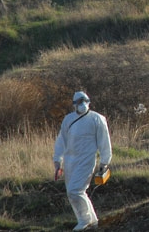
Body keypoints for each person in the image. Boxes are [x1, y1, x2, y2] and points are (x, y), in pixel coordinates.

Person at [53, 91, 112, 232]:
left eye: (84, 100)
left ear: (89, 101)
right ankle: (91, 221)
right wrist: (57, 160)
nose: (82, 104)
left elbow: (105, 142)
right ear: (74, 105)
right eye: (79, 101)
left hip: (87, 159)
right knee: (72, 192)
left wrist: (105, 162)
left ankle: (85, 220)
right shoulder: (68, 119)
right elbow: (61, 141)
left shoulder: (97, 119)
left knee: (76, 190)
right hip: (70, 160)